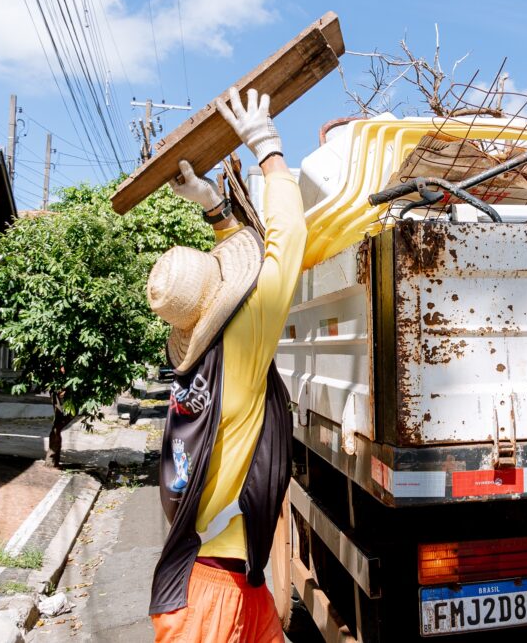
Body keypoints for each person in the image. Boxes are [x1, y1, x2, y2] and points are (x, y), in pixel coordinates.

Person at [145, 86, 306, 642]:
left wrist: (218, 209)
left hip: (222, 577)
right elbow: (288, 242)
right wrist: (267, 148)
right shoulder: (239, 346)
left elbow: (246, 289)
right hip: (210, 599)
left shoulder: (205, 362)